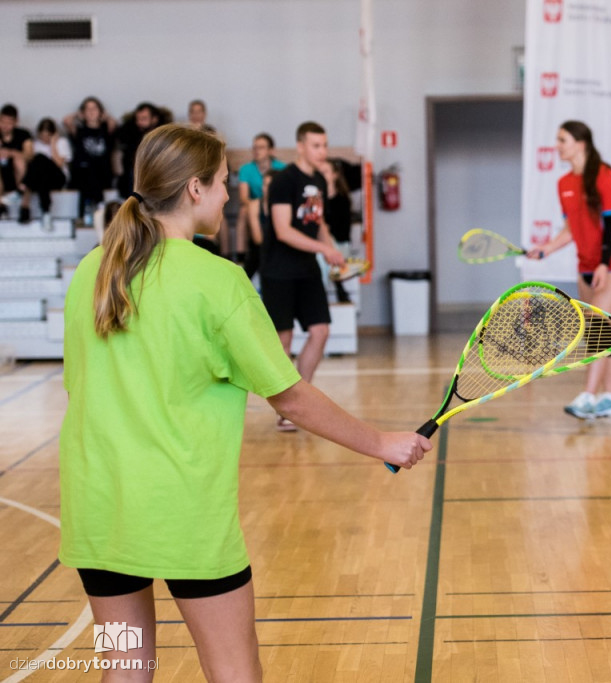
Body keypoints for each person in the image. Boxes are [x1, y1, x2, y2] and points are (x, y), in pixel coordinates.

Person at [59, 123, 429, 681]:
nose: (231, 195)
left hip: (97, 511)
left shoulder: (93, 269)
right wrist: (383, 442)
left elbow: (77, 385)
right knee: (234, 670)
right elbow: (292, 398)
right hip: (184, 515)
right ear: (194, 190)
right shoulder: (219, 281)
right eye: (225, 183)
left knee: (125, 668)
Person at [527, 120, 611, 419]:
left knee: (598, 325)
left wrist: (603, 262)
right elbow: (571, 229)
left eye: (563, 140)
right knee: (603, 330)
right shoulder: (564, 184)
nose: (557, 145)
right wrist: (546, 248)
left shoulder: (604, 175)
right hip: (586, 263)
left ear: (581, 144)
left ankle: (588, 395)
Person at [262, 121, 346, 431]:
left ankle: (301, 399)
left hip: (307, 269)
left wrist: (333, 249)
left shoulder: (320, 183)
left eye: (324, 145)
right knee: (282, 343)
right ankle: (287, 408)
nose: (322, 151)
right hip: (278, 270)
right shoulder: (284, 181)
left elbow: (318, 222)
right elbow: (284, 230)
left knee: (321, 331)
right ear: (300, 146)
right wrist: (323, 251)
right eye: (315, 145)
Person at [237, 133, 287, 277]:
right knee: (244, 211)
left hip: (277, 207)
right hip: (256, 206)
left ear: (271, 150)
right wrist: (261, 203)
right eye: (254, 147)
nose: (256, 150)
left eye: (261, 147)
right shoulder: (246, 169)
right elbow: (243, 198)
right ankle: (240, 256)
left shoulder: (282, 168)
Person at [64, 96, 117, 219]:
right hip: (82, 173)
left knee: (94, 170)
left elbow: (113, 123)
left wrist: (106, 117)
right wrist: (78, 115)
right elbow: (66, 121)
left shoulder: (105, 129)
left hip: (102, 172)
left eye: (94, 108)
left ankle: (90, 210)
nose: (91, 111)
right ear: (83, 112)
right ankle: (97, 206)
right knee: (87, 171)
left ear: (100, 111)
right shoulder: (79, 130)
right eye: (88, 109)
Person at [17, 118, 72, 227]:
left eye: (47, 136)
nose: (44, 139)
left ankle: (24, 189)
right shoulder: (36, 144)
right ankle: (46, 213)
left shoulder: (62, 142)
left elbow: (59, 164)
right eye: (42, 135)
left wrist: (52, 144)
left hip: (59, 177)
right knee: (42, 175)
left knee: (40, 158)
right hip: (42, 180)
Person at [319, 158, 354, 303]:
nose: (322, 176)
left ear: (334, 175)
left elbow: (341, 232)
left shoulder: (342, 200)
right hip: (324, 246)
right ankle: (338, 286)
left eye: (325, 172)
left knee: (324, 245)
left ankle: (323, 290)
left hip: (339, 246)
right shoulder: (316, 200)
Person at [116, 102, 164, 199]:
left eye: (144, 119)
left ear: (154, 119)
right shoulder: (130, 132)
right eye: (138, 119)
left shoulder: (163, 135)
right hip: (133, 175)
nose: (139, 122)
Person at [0, 103, 34, 222]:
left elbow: (29, 155)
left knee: (19, 160)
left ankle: (24, 206)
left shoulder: (23, 134)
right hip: (2, 175)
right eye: (2, 122)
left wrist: (10, 152)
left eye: (9, 122)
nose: (5, 126)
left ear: (16, 122)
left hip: (19, 175)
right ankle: (1, 207)